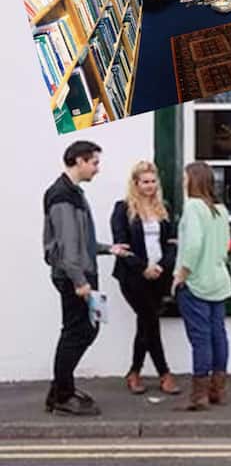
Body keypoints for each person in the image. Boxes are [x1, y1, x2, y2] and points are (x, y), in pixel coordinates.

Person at [43, 141, 131, 416]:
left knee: (84, 330)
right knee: (76, 332)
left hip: (80, 272)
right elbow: (68, 247)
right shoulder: (62, 196)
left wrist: (108, 249)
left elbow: (81, 241)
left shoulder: (74, 193)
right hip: (73, 276)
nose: (97, 169)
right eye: (94, 162)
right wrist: (80, 282)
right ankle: (62, 395)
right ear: (79, 161)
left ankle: (60, 388)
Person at [110, 161, 181, 396]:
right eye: (145, 182)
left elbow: (172, 244)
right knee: (150, 319)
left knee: (146, 322)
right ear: (136, 184)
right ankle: (164, 374)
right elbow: (122, 245)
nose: (149, 186)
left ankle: (134, 372)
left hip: (159, 276)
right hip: (133, 277)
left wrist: (161, 266)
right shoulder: (123, 209)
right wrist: (143, 268)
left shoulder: (164, 208)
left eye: (153, 181)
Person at [172, 162, 231, 411]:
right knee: (218, 335)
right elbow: (224, 244)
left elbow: (195, 244)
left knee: (200, 338)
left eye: (185, 177)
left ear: (194, 180)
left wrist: (182, 274)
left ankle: (199, 396)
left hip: (197, 282)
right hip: (219, 280)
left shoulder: (193, 207)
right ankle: (217, 390)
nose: (183, 181)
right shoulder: (220, 210)